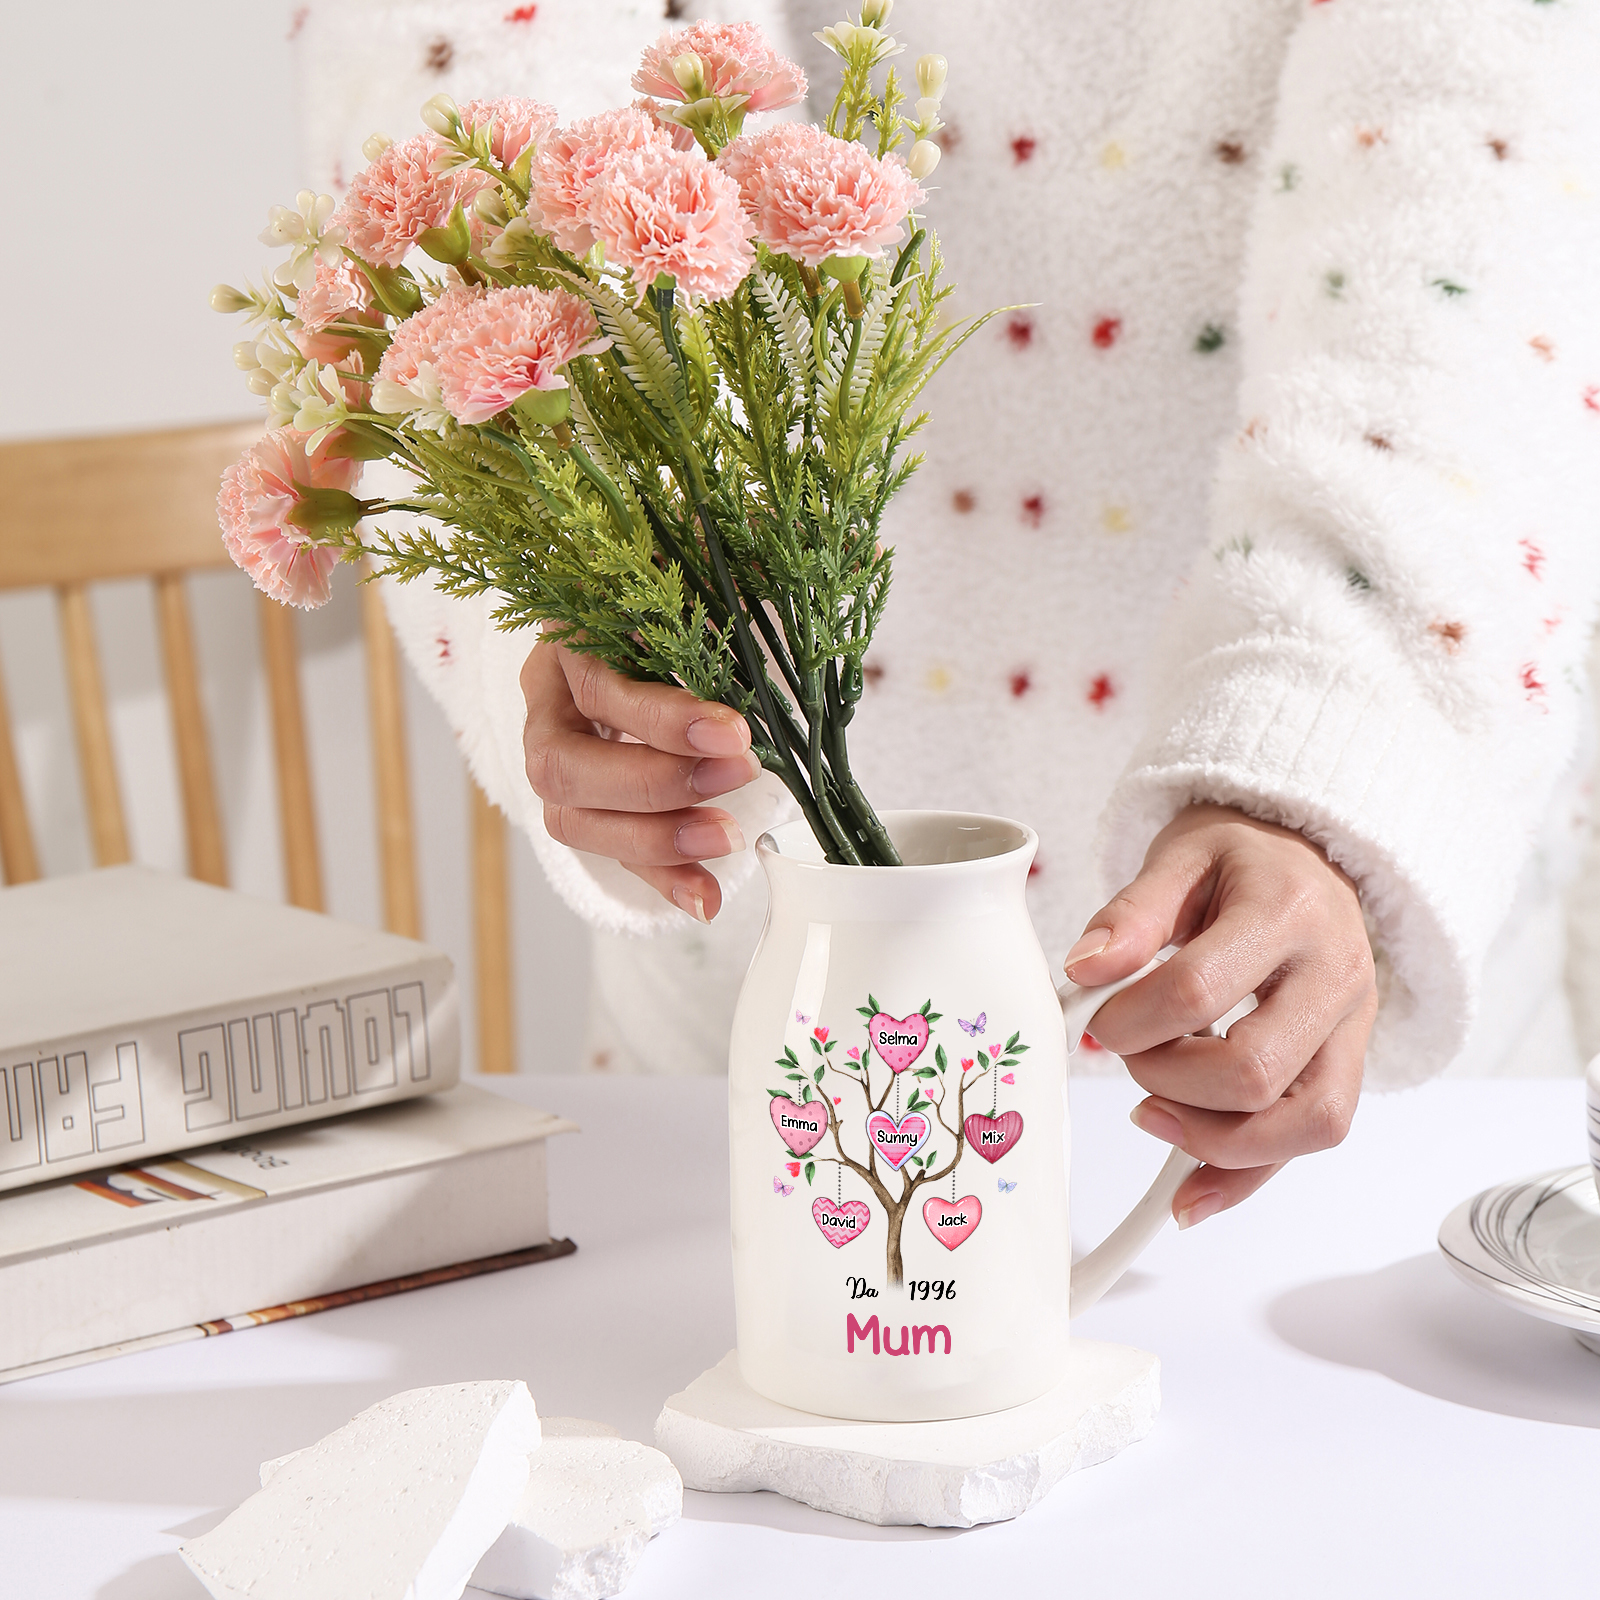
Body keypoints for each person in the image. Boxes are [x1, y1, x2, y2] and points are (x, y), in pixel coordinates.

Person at [297, 0, 1600, 1228]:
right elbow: (457, 91)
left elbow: (1482, 204)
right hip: (747, 1003)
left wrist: (1323, 748)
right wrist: (596, 561)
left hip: (1335, 1036)